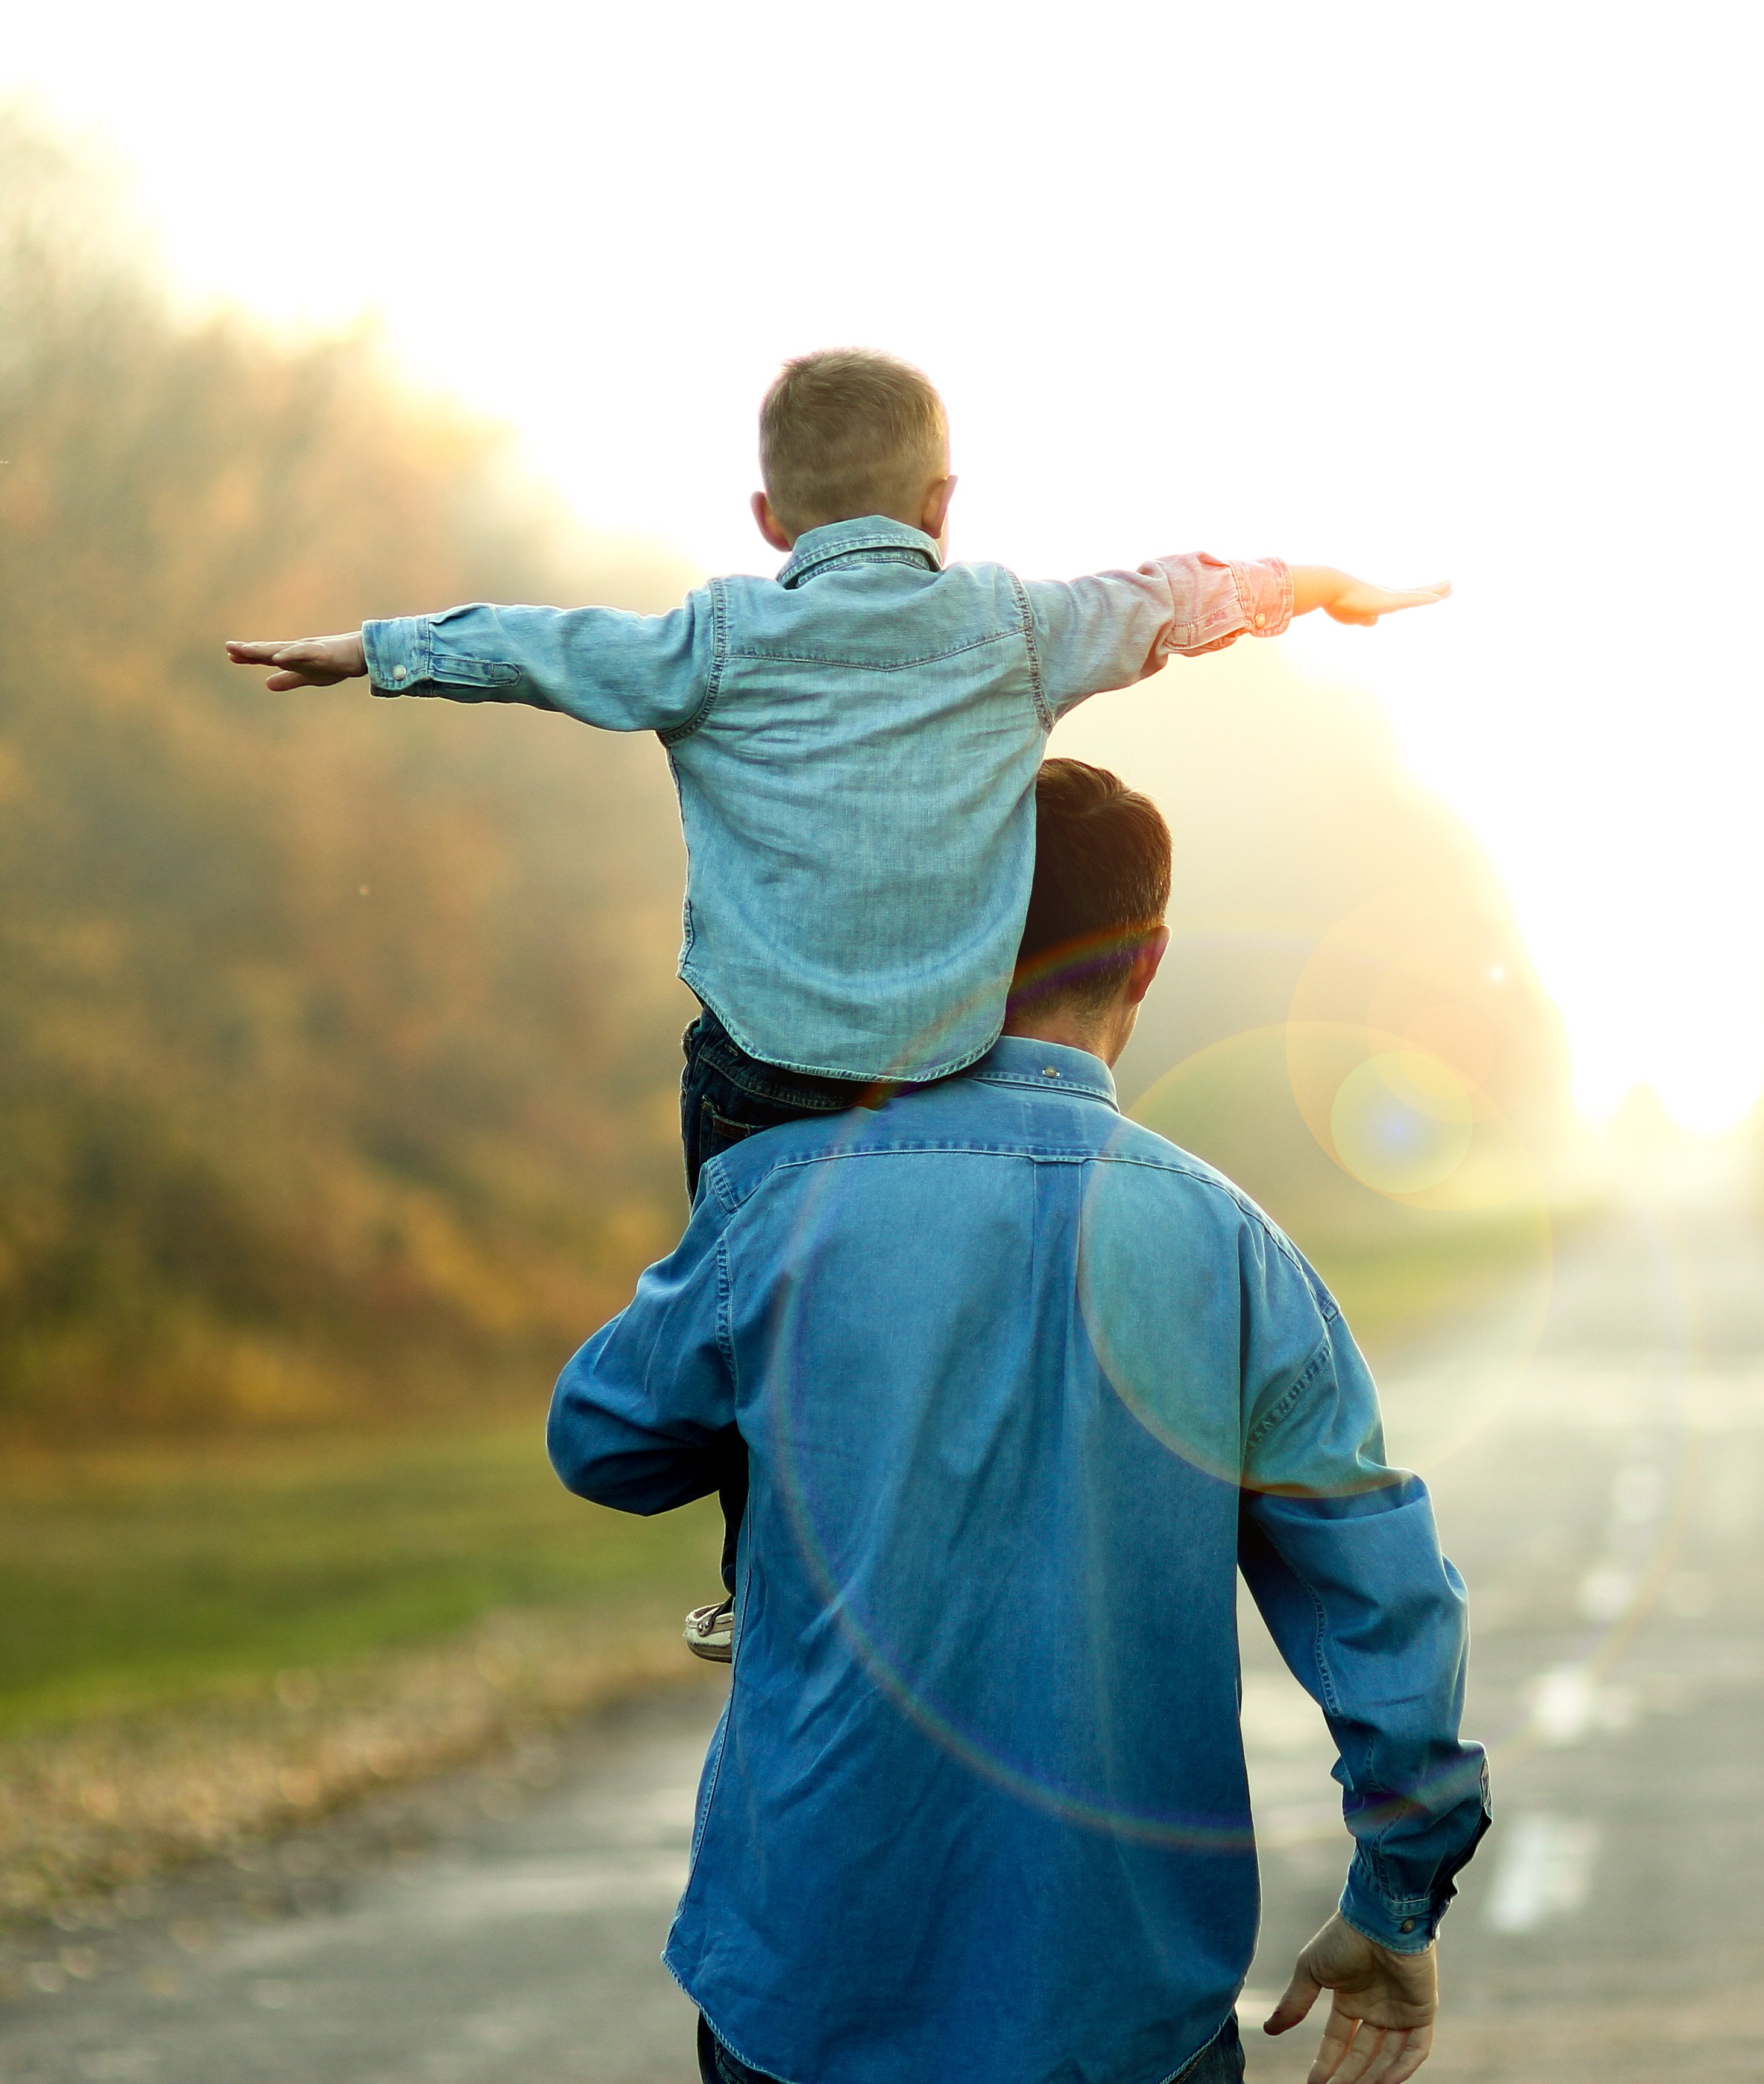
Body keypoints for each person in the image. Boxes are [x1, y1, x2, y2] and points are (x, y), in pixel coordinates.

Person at [225, 350, 1447, 1650]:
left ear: (769, 521)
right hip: (950, 1068)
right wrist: (1310, 590)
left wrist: (375, 650)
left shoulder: (714, 641)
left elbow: (544, 649)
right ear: (941, 503)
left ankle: (764, 1584)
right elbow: (1166, 598)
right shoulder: (1014, 630)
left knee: (754, 1323)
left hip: (762, 1085)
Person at [549, 759, 1488, 2084]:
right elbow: (1386, 1612)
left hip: (805, 1997)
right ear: (1148, 964)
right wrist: (1398, 1899)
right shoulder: (1235, 1253)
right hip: (1124, 2020)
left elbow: (600, 1444)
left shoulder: (778, 1203)